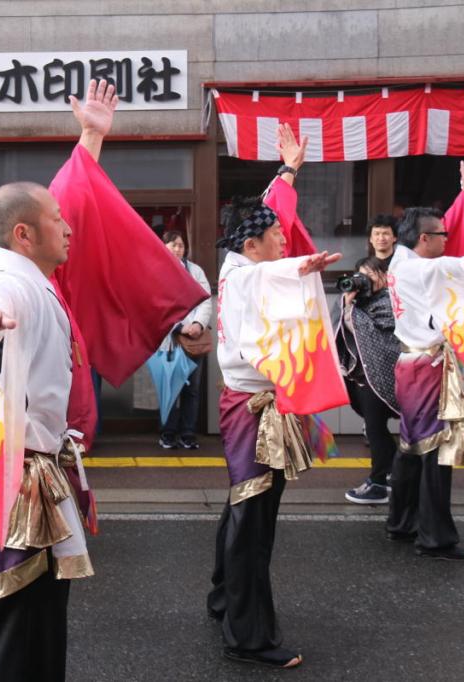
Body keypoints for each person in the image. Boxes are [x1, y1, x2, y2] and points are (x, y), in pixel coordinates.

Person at [0, 79, 205, 682]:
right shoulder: (7, 280)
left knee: (45, 610)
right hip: (18, 470)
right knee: (20, 620)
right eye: (57, 221)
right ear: (24, 234)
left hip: (44, 463)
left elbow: (68, 194)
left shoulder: (39, 275)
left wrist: (91, 137)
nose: (69, 228)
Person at [207, 123, 343, 669]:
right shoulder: (244, 277)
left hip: (252, 403)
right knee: (252, 519)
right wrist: (300, 267)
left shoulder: (243, 264)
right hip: (251, 411)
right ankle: (248, 636)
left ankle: (225, 600)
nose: (287, 240)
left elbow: (270, 217)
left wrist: (288, 171)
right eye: (278, 240)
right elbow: (271, 277)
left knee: (242, 509)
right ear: (251, 245)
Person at [385, 162, 464, 562]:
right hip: (425, 368)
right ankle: (434, 538)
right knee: (436, 450)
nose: (450, 240)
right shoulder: (419, 268)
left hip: (411, 365)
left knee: (413, 446)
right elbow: (441, 265)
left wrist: (462, 198)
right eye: (444, 235)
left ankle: (401, 522)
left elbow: (433, 249)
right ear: (426, 239)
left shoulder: (399, 259)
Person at [333, 256, 401, 504]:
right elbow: (334, 331)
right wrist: (346, 305)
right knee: (377, 430)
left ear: (384, 277)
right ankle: (396, 472)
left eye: (370, 275)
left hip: (380, 377)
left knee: (375, 430)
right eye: (360, 275)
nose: (365, 280)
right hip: (360, 377)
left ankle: (378, 483)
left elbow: (382, 336)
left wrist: (351, 312)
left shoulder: (390, 301)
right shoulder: (356, 302)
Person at [157, 230, 213, 450]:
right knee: (170, 388)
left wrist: (198, 324)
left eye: (181, 245)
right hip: (170, 340)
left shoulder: (195, 270)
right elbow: (158, 306)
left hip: (194, 340)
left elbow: (205, 299)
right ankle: (168, 433)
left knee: (192, 389)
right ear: (164, 246)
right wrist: (180, 326)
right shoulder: (158, 272)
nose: (178, 249)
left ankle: (188, 433)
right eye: (173, 245)